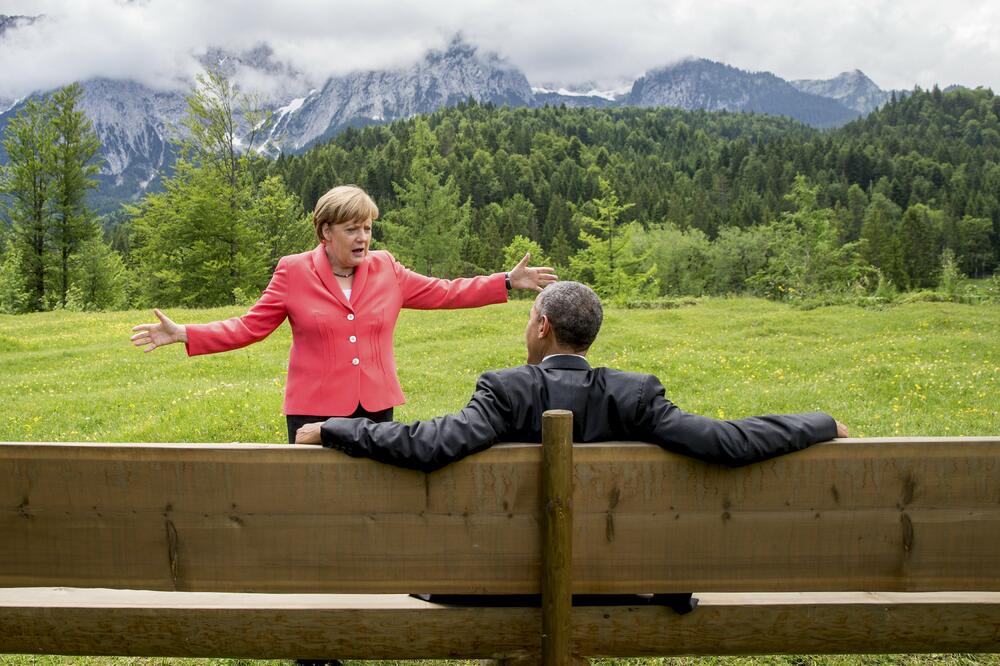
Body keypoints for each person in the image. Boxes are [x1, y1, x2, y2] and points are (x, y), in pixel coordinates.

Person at [130, 185, 557, 443]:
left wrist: (504, 281)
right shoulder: (292, 271)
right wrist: (185, 333)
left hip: (375, 406)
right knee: (314, 501)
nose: (363, 238)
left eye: (368, 228)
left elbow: (443, 292)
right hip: (312, 408)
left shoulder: (387, 267)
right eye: (352, 229)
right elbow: (249, 326)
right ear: (325, 231)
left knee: (372, 498)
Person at [295, 280, 848, 470]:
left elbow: (429, 445)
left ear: (541, 326)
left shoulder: (504, 391)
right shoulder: (635, 395)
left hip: (501, 585)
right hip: (620, 583)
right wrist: (820, 422)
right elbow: (727, 441)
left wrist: (336, 428)